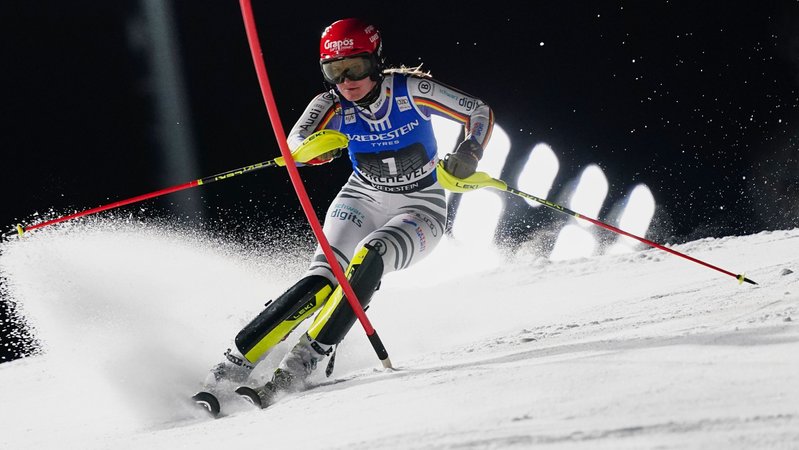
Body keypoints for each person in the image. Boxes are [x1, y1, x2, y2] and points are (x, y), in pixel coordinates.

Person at [199, 17, 494, 410]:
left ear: (376, 62)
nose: (347, 80)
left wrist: (469, 151)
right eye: (334, 71)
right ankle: (228, 368)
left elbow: (478, 110)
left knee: (370, 256)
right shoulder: (330, 104)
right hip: (360, 198)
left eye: (356, 67)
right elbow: (297, 145)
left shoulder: (410, 90)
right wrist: (317, 150)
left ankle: (304, 361)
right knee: (321, 280)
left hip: (421, 206)